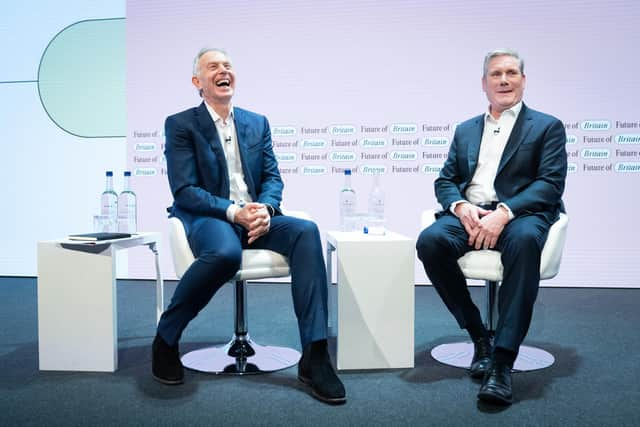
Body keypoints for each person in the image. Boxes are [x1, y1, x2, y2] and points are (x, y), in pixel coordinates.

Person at [152, 47, 346, 405]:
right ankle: (166, 337)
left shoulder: (257, 122)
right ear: (198, 82)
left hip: (255, 216)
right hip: (210, 216)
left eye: (227, 65)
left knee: (306, 231)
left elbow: (272, 177)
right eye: (213, 66)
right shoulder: (180, 125)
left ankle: (315, 355)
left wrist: (267, 209)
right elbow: (185, 190)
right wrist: (234, 212)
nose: (223, 70)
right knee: (226, 254)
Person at [416, 48, 567, 405]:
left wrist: (505, 211)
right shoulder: (466, 129)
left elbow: (550, 184)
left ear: (523, 81)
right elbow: (445, 180)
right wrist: (460, 205)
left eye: (511, 73)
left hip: (522, 216)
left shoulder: (546, 126)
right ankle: (478, 335)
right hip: (471, 214)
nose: (504, 80)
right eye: (496, 74)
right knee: (430, 242)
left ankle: (501, 361)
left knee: (526, 241)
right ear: (484, 84)